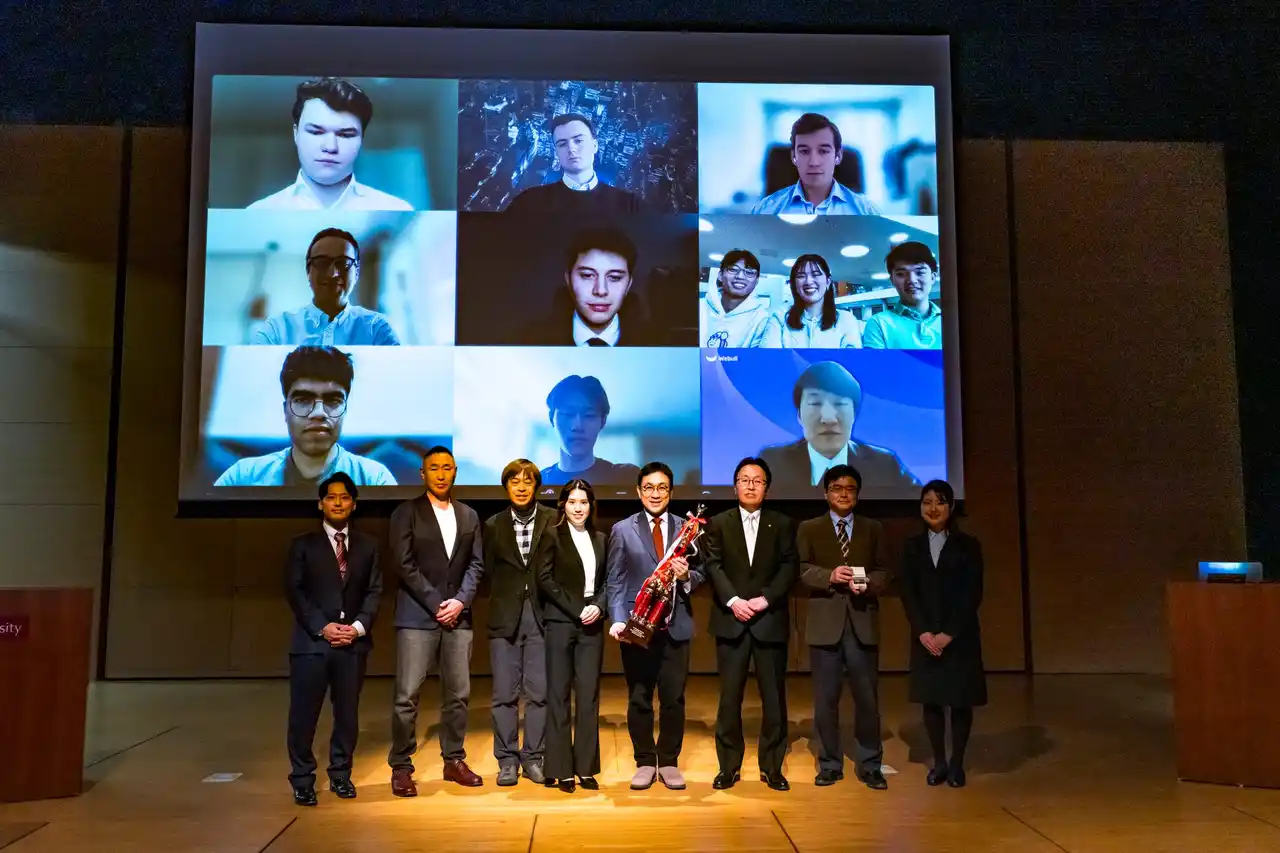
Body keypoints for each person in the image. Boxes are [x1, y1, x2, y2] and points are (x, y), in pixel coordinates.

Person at [387, 446, 485, 793]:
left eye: (447, 468)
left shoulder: (469, 515)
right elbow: (404, 564)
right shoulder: (406, 513)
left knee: (458, 694)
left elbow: (476, 564)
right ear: (422, 473)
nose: (441, 474)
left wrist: (460, 602)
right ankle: (401, 765)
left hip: (459, 617)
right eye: (434, 468)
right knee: (407, 696)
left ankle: (454, 760)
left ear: (455, 471)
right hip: (417, 616)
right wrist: (437, 603)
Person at [605, 462, 705, 791]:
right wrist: (618, 619)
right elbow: (615, 580)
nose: (655, 493)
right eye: (649, 487)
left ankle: (670, 761)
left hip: (676, 625)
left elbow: (702, 572)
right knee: (639, 697)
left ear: (671, 492)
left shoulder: (688, 529)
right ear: (638, 491)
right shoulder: (622, 529)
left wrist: (686, 576)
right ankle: (645, 761)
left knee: (674, 699)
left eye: (662, 487)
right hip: (638, 627)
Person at [284, 473, 382, 806]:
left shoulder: (368, 546)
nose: (337, 503)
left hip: (353, 645)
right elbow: (295, 591)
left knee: (347, 716)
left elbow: (374, 591)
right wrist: (322, 627)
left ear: (354, 504)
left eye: (344, 497)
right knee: (303, 717)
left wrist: (357, 627)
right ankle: (302, 779)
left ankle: (341, 774)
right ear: (320, 504)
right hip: (311, 645)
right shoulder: (302, 544)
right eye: (331, 497)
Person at [702, 457, 797, 791]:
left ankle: (772, 767)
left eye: (758, 480)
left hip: (769, 619)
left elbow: (789, 567)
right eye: (744, 479)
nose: (751, 485)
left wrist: (765, 599)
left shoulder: (782, 523)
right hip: (731, 619)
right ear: (735, 487)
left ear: (767, 488)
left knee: (774, 698)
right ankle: (728, 767)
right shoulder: (718, 523)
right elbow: (713, 565)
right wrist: (733, 601)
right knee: (729, 699)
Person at [797, 464, 890, 789]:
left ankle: (870, 764)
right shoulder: (809, 528)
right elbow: (801, 570)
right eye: (837, 488)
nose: (843, 494)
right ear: (826, 493)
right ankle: (829, 764)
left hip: (862, 621)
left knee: (867, 700)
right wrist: (829, 576)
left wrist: (870, 584)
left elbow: (884, 572)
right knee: (825, 700)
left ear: (858, 494)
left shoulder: (873, 528)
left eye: (850, 489)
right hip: (825, 625)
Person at [899, 479, 986, 788]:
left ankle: (957, 763)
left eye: (940, 502)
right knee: (932, 701)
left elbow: (972, 593)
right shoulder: (911, 547)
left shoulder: (969, 546)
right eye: (927, 502)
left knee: (960, 701)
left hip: (959, 637)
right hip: (925, 637)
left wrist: (949, 633)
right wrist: (923, 632)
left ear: (951, 507)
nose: (933, 508)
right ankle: (939, 763)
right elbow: (908, 592)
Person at [214, 345, 396, 487]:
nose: (319, 413)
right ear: (285, 411)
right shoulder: (242, 477)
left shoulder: (374, 479)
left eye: (333, 401)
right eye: (303, 400)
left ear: (345, 410)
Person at [484, 459, 556, 786]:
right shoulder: (492, 525)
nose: (522, 487)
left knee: (539, 693)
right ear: (506, 487)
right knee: (504, 694)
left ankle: (534, 757)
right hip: (504, 617)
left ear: (536, 486)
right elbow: (487, 571)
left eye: (528, 481)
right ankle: (507, 760)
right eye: (515, 481)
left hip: (542, 616)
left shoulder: (553, 520)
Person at [535, 479, 608, 792]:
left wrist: (599, 607)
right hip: (561, 622)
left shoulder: (601, 539)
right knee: (558, 695)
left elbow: (609, 581)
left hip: (592, 624)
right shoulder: (552, 535)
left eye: (584, 502)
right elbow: (544, 579)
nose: (579, 508)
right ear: (563, 504)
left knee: (588, 696)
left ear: (591, 506)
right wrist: (577, 609)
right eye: (573, 502)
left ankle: (585, 768)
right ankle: (561, 769)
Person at [248, 77, 413, 211]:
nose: (330, 147)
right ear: (295, 134)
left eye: (345, 135)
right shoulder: (259, 211)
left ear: (361, 139)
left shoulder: (397, 208)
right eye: (316, 132)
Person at [758, 361, 918, 493]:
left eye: (840, 404)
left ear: (854, 414)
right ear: (799, 415)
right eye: (815, 403)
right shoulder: (772, 464)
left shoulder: (885, 465)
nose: (828, 418)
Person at [251, 228, 400, 347]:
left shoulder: (377, 328)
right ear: (308, 271)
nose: (333, 273)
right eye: (322, 263)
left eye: (343, 263)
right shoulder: (277, 330)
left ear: (356, 272)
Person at [519, 227, 652, 346]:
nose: (601, 291)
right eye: (587, 275)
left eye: (615, 277)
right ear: (568, 279)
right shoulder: (529, 341)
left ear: (629, 284)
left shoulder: (654, 342)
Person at [506, 113, 641, 213]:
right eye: (562, 144)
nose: (571, 149)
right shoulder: (533, 201)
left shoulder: (624, 204)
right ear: (556, 152)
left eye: (578, 141)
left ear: (594, 145)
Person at [750, 113, 880, 216]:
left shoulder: (866, 212)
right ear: (794, 156)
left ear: (838, 156)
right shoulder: (764, 211)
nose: (814, 162)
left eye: (823, 151)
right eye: (804, 151)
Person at [538, 375, 642, 486]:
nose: (577, 426)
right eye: (568, 414)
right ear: (552, 419)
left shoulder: (627, 477)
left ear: (603, 421)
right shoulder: (537, 484)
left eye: (589, 415)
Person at [758, 253, 863, 348]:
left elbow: (852, 361)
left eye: (816, 274)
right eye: (801, 276)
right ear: (795, 284)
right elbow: (770, 360)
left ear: (828, 281)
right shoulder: (780, 318)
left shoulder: (846, 320)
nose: (808, 281)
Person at [862, 241, 943, 349]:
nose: (912, 280)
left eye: (919, 273)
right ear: (892, 280)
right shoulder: (879, 323)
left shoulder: (952, 320)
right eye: (901, 274)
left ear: (933, 277)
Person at [699, 249, 771, 349]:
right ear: (720, 275)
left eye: (749, 272)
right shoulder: (699, 307)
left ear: (757, 281)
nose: (740, 276)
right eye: (733, 270)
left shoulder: (762, 319)